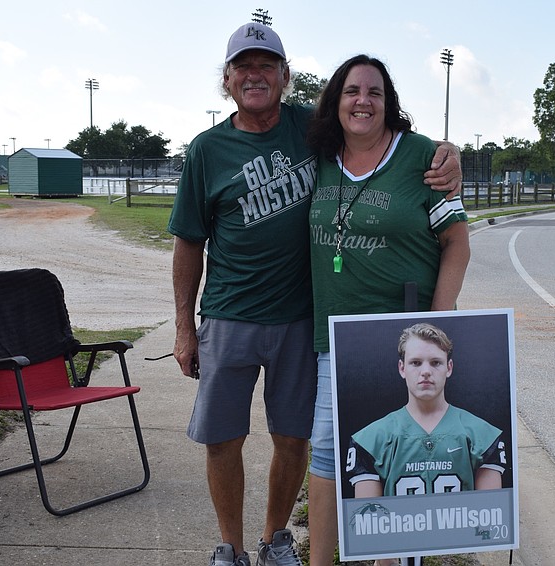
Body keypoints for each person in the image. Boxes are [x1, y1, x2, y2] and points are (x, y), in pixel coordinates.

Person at [168, 23, 463, 566]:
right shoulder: (206, 150)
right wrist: (185, 327)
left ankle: (276, 540)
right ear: (226, 79)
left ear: (285, 76)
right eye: (243, 67)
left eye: (266, 66)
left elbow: (377, 127)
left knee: (295, 440)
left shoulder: (312, 127)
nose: (254, 76)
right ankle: (230, 547)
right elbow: (188, 242)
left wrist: (448, 152)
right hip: (229, 315)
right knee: (222, 439)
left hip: (303, 320)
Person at [305, 55, 472, 566]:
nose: (363, 101)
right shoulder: (320, 156)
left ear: (388, 102)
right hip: (336, 335)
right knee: (328, 453)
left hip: (406, 330)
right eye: (352, 91)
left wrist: (437, 323)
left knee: (401, 450)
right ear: (335, 102)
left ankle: (391, 558)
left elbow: (457, 243)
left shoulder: (422, 156)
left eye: (374, 92)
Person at [346, 322, 505, 499]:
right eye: (416, 363)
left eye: (436, 363)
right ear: (402, 368)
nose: (426, 371)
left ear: (449, 368)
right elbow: (369, 513)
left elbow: (491, 510)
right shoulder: (371, 440)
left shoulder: (482, 435)